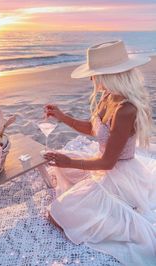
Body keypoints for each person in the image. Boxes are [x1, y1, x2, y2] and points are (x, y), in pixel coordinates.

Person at [43, 40, 156, 266]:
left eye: (94, 74)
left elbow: (107, 162)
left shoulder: (126, 109)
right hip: (104, 166)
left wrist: (70, 162)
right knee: (60, 200)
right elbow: (93, 129)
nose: (91, 79)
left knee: (57, 215)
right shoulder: (107, 97)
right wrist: (62, 116)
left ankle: (120, 209)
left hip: (117, 172)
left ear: (109, 74)